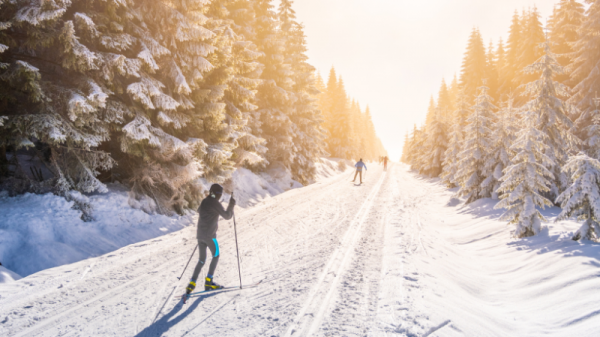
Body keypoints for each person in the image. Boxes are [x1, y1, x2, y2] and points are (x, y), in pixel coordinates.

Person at [186, 183, 236, 295]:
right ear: (218, 194)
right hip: (210, 236)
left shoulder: (205, 201)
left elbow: (200, 211)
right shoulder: (215, 203)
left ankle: (192, 283)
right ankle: (209, 281)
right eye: (220, 193)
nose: (220, 195)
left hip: (200, 236)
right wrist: (231, 205)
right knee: (216, 255)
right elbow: (227, 216)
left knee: (201, 260)